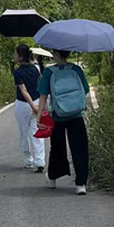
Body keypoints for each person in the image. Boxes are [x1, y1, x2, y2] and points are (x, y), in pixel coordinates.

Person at [36, 49, 90, 195]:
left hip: (57, 116)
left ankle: (53, 178)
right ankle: (80, 184)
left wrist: (39, 116)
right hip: (76, 115)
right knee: (80, 148)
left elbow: (42, 95)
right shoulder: (76, 69)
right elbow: (84, 89)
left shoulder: (49, 72)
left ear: (55, 53)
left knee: (57, 149)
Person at [13, 45, 45, 172]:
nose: (14, 56)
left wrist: (32, 106)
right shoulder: (35, 69)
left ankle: (28, 160)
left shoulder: (18, 72)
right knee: (37, 132)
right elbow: (39, 86)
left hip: (23, 105)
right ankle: (40, 161)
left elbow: (23, 90)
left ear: (20, 57)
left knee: (24, 133)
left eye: (15, 54)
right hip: (37, 101)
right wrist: (39, 106)